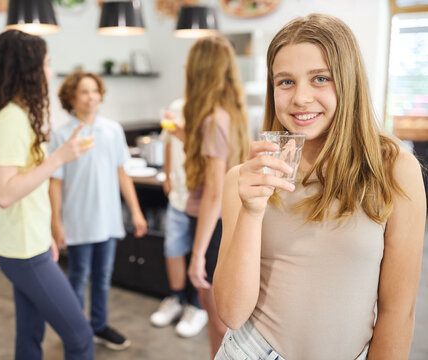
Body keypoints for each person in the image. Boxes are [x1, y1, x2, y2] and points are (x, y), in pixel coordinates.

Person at [213, 14, 426, 360]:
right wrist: (252, 212)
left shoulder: (395, 170)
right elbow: (231, 312)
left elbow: (397, 313)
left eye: (320, 78)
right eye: (285, 82)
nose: (301, 98)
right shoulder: (246, 178)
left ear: (349, 80)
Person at [0, 30, 95, 360]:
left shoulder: (20, 116)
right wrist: (59, 158)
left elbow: (28, 189)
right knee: (80, 337)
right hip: (23, 251)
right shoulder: (12, 120)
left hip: (28, 243)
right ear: (27, 70)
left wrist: (45, 235)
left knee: (29, 335)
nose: (50, 72)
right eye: (47, 64)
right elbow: (6, 194)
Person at [49, 70, 148, 351]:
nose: (92, 97)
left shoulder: (112, 130)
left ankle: (99, 325)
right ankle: (75, 330)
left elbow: (122, 173)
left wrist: (136, 212)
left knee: (103, 277)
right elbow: (54, 184)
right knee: (78, 277)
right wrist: (55, 222)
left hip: (108, 221)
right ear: (71, 98)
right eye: (84, 91)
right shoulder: (61, 135)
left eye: (95, 90)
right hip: (78, 221)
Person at [183, 36, 251, 357]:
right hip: (228, 221)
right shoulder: (230, 115)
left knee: (218, 320)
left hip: (213, 227)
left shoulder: (214, 121)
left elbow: (213, 193)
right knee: (220, 320)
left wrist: (197, 255)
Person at [150, 98, 209, 337]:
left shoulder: (211, 110)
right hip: (178, 196)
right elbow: (167, 142)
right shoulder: (175, 107)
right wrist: (166, 176)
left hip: (203, 198)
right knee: (172, 250)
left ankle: (197, 307)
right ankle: (176, 299)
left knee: (200, 253)